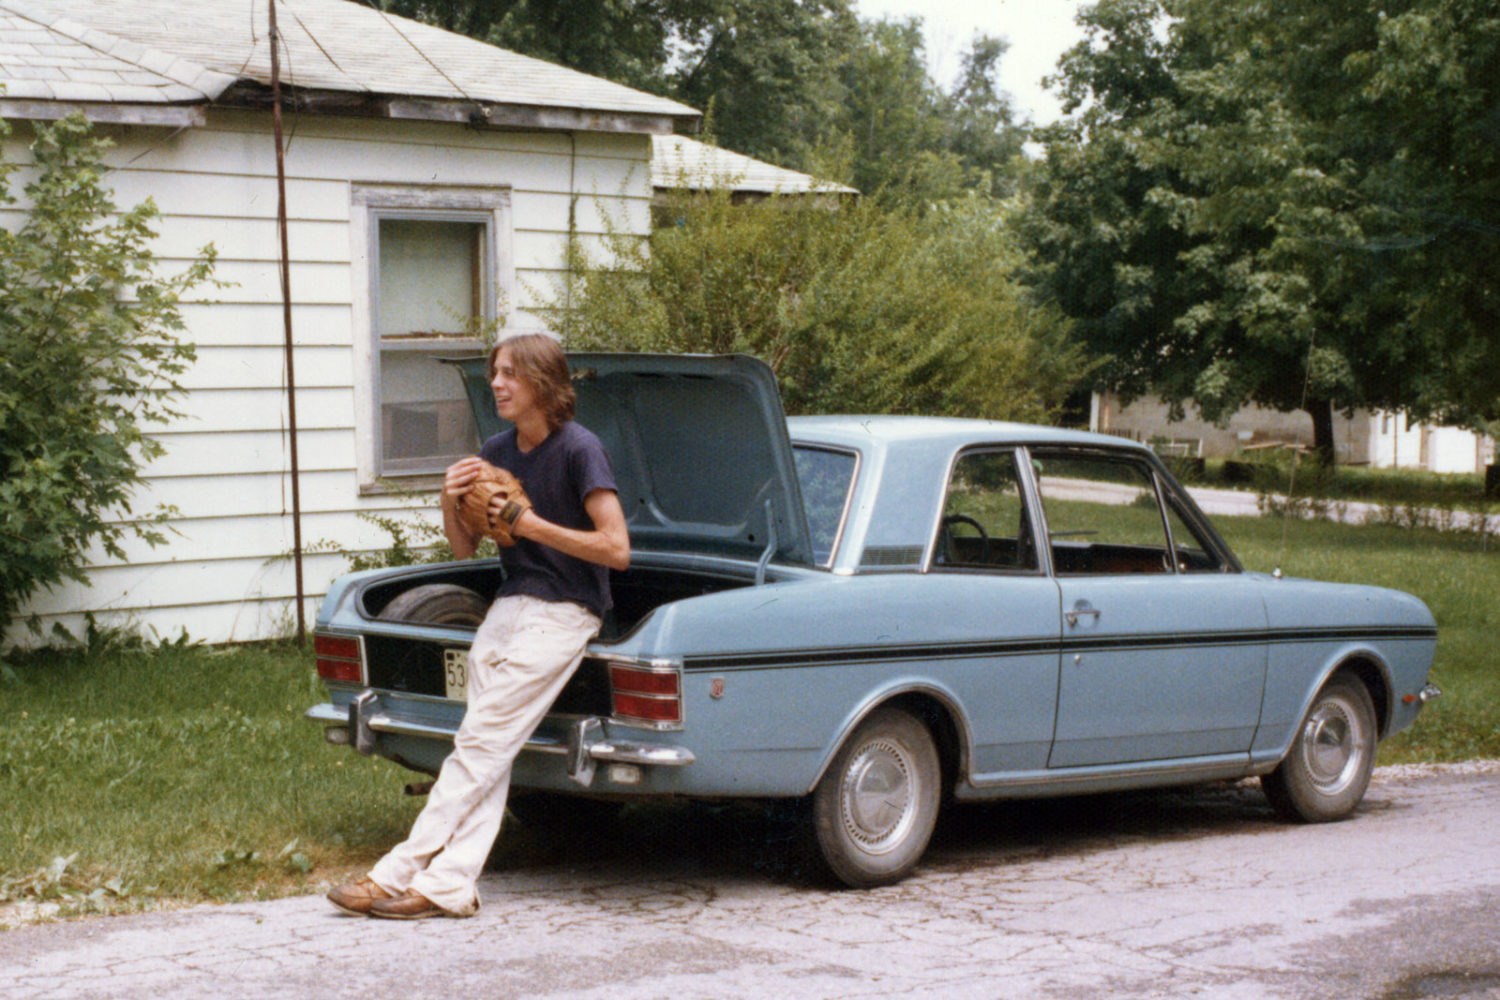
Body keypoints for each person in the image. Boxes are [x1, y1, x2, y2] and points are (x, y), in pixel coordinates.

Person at [327, 333, 629, 919]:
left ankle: (393, 874)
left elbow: (617, 550)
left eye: (510, 373)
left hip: (566, 612)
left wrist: (532, 525)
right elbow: (466, 549)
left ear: (543, 383)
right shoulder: (497, 449)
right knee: (489, 750)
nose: (497, 383)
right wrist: (449, 500)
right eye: (495, 372)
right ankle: (451, 886)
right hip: (510, 606)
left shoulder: (579, 449)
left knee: (479, 745)